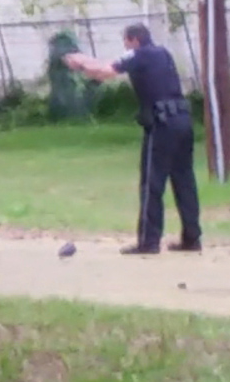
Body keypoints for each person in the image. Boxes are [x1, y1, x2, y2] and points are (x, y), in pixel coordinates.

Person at [63, 23, 203, 256]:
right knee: (184, 181)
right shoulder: (163, 53)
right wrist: (86, 67)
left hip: (162, 124)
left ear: (134, 40)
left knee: (151, 183)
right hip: (183, 120)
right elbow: (103, 72)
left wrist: (81, 61)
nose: (125, 46)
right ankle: (192, 237)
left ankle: (148, 242)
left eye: (126, 42)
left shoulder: (138, 54)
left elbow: (107, 71)